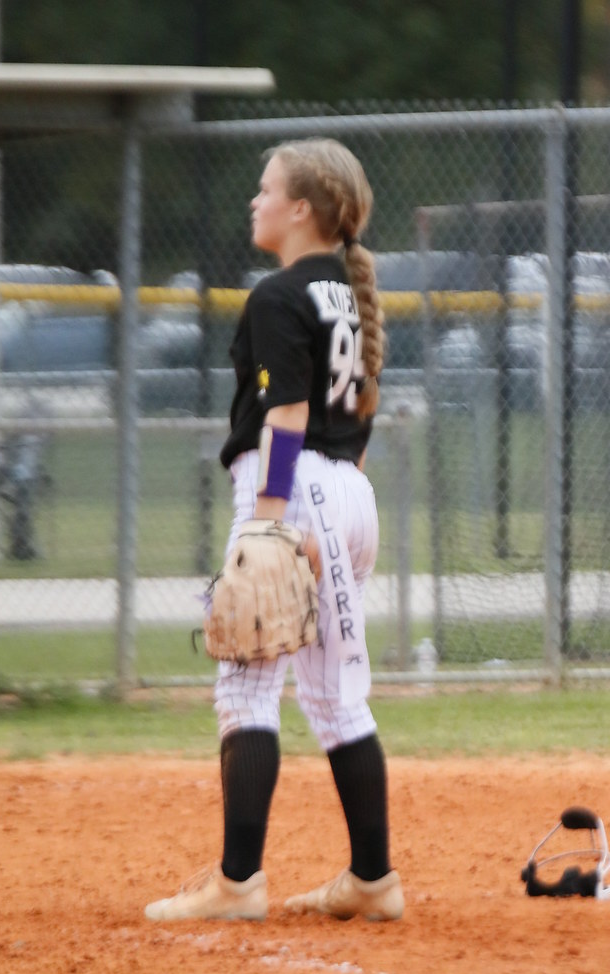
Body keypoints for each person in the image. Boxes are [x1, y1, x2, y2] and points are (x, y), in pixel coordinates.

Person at [144, 137, 403, 923]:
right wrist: (330, 504)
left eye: (266, 190)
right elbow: (356, 412)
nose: (254, 202)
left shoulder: (278, 294)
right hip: (350, 490)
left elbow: (286, 413)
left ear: (301, 209)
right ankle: (372, 880)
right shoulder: (344, 294)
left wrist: (269, 524)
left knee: (247, 687)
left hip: (291, 491)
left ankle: (237, 883)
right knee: (334, 694)